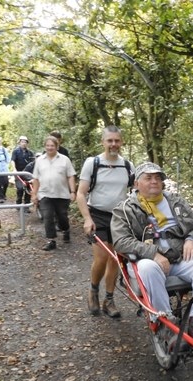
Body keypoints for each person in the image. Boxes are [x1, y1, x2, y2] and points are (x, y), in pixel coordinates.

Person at [110, 162, 193, 350]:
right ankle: (165, 324)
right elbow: (120, 241)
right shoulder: (124, 209)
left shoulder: (176, 201)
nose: (154, 181)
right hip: (147, 261)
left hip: (180, 257)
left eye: (158, 178)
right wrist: (153, 253)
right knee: (148, 267)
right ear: (136, 184)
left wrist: (191, 238)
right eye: (148, 178)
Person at [76, 125, 133, 319]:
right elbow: (81, 194)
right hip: (98, 214)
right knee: (101, 258)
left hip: (120, 216)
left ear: (121, 142)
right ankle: (93, 291)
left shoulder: (127, 165)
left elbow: (135, 193)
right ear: (103, 142)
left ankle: (109, 299)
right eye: (110, 140)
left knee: (115, 259)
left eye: (117, 140)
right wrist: (87, 219)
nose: (113, 144)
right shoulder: (93, 163)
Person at [31, 136, 77, 251]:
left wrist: (72, 191)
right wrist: (34, 194)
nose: (49, 148)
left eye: (52, 145)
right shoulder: (40, 160)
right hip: (45, 194)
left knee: (62, 217)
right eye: (47, 145)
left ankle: (66, 230)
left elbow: (71, 176)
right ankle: (51, 240)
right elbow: (36, 178)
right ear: (45, 147)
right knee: (48, 217)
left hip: (62, 194)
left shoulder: (65, 159)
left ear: (57, 146)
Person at [11, 135, 36, 209]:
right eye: (22, 142)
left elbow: (33, 162)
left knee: (29, 188)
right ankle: (18, 204)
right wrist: (14, 169)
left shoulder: (30, 152)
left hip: (27, 173)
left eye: (25, 142)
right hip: (19, 173)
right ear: (19, 142)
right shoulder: (16, 151)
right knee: (20, 188)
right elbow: (13, 160)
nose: (24, 143)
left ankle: (26, 206)